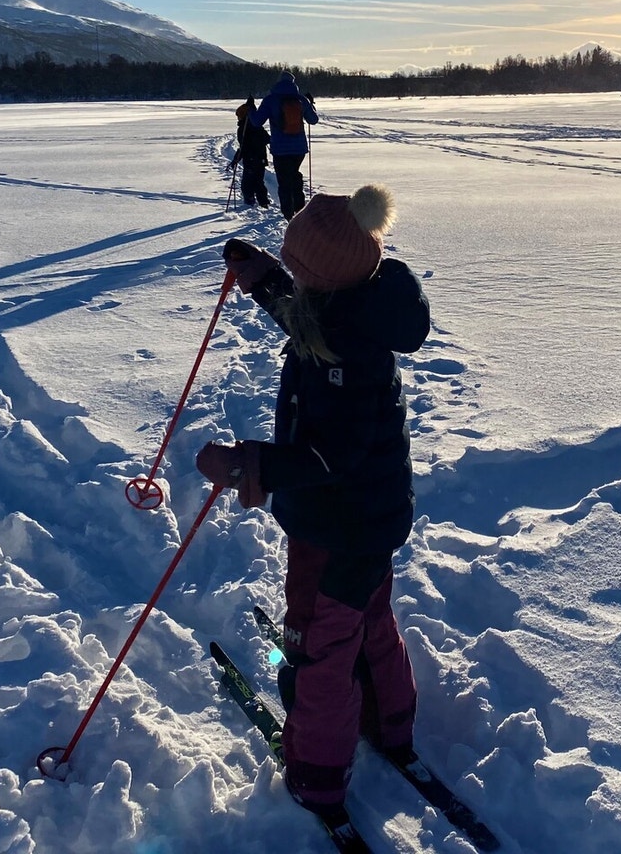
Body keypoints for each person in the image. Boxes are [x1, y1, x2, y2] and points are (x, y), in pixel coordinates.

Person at [195, 184, 429, 827]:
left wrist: (248, 465)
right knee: (367, 618)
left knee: (320, 646)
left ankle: (319, 778)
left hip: (337, 525)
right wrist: (263, 277)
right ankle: (391, 723)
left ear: (325, 277)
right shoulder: (356, 305)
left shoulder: (346, 359)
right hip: (369, 520)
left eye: (297, 267)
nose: (292, 277)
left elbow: (331, 458)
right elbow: (307, 315)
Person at [250, 70, 319, 219]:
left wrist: (251, 110)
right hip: (299, 149)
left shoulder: (270, 99)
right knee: (294, 175)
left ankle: (288, 214)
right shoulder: (301, 100)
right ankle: (300, 210)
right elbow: (313, 120)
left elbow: (256, 122)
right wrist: (311, 105)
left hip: (280, 148)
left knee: (284, 180)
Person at [229, 97, 272, 209]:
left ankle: (249, 202)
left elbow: (243, 147)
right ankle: (263, 202)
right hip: (261, 158)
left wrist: (235, 160)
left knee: (247, 183)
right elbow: (268, 139)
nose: (238, 119)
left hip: (250, 159)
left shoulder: (243, 128)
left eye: (238, 116)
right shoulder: (257, 126)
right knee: (259, 181)